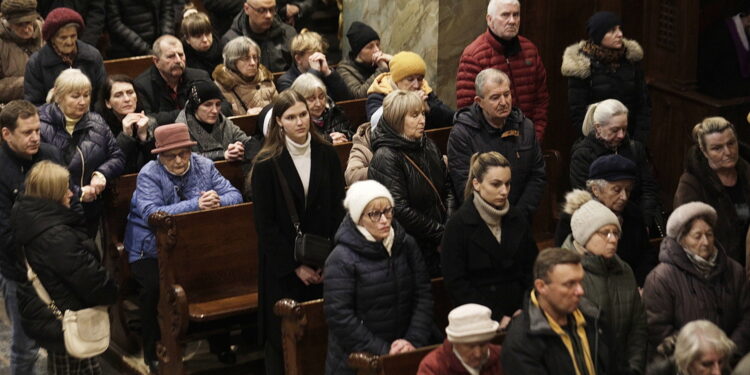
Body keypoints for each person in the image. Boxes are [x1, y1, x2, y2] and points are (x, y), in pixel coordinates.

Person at [124, 123, 243, 372]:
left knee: (216, 279)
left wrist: (218, 199)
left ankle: (219, 342)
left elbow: (236, 196)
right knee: (153, 289)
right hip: (149, 246)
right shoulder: (148, 174)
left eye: (183, 153)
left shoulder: (204, 165)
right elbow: (151, 214)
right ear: (160, 156)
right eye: (171, 156)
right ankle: (154, 350)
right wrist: (195, 205)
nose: (179, 160)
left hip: (194, 244)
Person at [250, 90, 345, 375]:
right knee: (285, 340)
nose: (300, 122)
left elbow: (338, 210)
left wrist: (331, 260)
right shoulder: (267, 163)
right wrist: (295, 267)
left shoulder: (327, 152)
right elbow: (265, 226)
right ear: (279, 121)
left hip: (324, 257)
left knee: (324, 335)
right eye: (291, 117)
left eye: (303, 114)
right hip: (285, 267)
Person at [11, 161, 117, 375]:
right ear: (53, 194)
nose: (71, 193)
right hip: (67, 320)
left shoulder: (32, 220)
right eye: (65, 189)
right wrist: (111, 292)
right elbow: (87, 276)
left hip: (56, 317)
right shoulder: (55, 235)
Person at [324, 180, 433, 375]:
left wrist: (412, 342)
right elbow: (340, 316)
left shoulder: (406, 245)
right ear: (358, 218)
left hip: (408, 349)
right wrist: (384, 351)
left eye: (388, 211)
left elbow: (423, 294)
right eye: (374, 214)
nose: (384, 220)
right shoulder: (341, 258)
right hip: (359, 361)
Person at [0, 100, 63, 375]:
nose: (35, 137)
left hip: (58, 267)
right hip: (19, 270)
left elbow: (68, 202)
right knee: (25, 348)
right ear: (6, 134)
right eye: (27, 132)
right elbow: (4, 230)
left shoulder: (50, 154)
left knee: (63, 342)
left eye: (37, 130)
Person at [643, 202, 750, 357]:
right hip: (685, 363)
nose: (705, 242)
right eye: (697, 236)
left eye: (709, 234)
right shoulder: (660, 279)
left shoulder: (734, 271)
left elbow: (747, 317)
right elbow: (658, 330)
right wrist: (701, 356)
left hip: (732, 358)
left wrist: (729, 351)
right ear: (681, 240)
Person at [441, 151, 537, 323]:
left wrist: (526, 309)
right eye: (496, 184)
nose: (504, 191)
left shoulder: (517, 219)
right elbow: (457, 283)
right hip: (480, 319)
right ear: (476, 183)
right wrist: (497, 317)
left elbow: (532, 270)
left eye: (507, 184)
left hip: (521, 315)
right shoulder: (458, 226)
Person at [561, 189, 647, 375]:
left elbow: (637, 327)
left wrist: (634, 369)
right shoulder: (563, 273)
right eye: (605, 233)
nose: (613, 239)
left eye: (616, 233)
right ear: (585, 236)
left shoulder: (624, 271)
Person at [368, 90, 453, 278]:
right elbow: (399, 209)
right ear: (398, 119)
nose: (422, 120)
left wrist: (448, 226)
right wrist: (440, 233)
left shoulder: (427, 144)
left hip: (440, 241)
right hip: (411, 249)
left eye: (422, 113)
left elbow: (447, 186)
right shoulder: (386, 156)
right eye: (414, 115)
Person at [38, 68, 125, 236]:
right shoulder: (41, 126)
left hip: (91, 210)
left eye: (86, 95)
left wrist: (101, 174)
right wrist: (78, 193)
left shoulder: (97, 122)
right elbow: (41, 173)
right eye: (75, 96)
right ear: (59, 97)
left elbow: (117, 156)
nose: (83, 101)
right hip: (54, 212)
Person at [448, 68, 546, 214]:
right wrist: (494, 217)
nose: (504, 102)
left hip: (520, 217)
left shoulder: (526, 127)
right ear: (479, 101)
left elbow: (537, 175)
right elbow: (466, 186)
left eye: (507, 94)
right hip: (480, 221)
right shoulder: (462, 134)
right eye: (495, 97)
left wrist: (518, 216)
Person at [501, 247, 610, 375]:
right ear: (541, 287)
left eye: (580, 282)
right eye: (570, 284)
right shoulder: (520, 342)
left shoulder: (594, 318)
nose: (580, 291)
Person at [555, 154, 655, 286]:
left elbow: (645, 256)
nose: (624, 197)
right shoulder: (574, 216)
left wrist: (640, 285)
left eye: (628, 190)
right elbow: (563, 259)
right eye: (617, 190)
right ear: (596, 190)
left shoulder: (633, 214)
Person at [456, 0, 549, 141]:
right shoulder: (474, 55)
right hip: (490, 146)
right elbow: (468, 111)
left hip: (528, 142)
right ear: (489, 19)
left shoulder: (530, 50)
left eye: (516, 15)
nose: (512, 21)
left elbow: (541, 101)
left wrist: (533, 139)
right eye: (505, 15)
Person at [569, 98, 664, 235]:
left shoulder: (635, 149)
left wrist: (645, 221)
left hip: (637, 219)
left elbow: (648, 189)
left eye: (624, 129)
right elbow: (586, 198)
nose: (621, 135)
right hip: (599, 225)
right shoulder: (583, 155)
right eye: (614, 130)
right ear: (598, 128)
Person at [561, 11, 651, 142]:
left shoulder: (631, 61)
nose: (620, 34)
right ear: (598, 36)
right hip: (596, 143)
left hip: (629, 140)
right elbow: (578, 113)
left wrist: (638, 142)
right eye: (612, 31)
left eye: (620, 28)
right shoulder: (582, 66)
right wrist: (595, 143)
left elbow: (643, 105)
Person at [674, 117, 749, 267]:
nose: (728, 152)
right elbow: (688, 235)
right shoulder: (691, 183)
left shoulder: (746, 172)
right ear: (704, 151)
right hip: (714, 267)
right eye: (717, 148)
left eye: (731, 143)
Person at [23, 7, 106, 107]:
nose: (69, 42)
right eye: (63, 37)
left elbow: (102, 96)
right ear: (52, 38)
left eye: (73, 36)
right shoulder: (36, 63)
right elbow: (34, 103)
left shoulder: (92, 56)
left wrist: (93, 120)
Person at [134, 35, 214, 125]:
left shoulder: (200, 76)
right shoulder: (142, 85)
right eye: (171, 56)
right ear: (156, 61)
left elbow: (224, 106)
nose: (178, 60)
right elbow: (147, 119)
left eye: (181, 55)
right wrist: (192, 112)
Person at [175, 79, 260, 162]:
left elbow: (246, 140)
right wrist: (223, 155)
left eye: (218, 104)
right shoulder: (181, 127)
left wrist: (241, 150)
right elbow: (187, 157)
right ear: (195, 107)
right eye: (208, 105)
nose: (215, 111)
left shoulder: (223, 120)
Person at [366, 51, 454, 130]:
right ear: (397, 80)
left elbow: (451, 118)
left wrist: (428, 108)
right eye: (410, 79)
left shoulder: (424, 89)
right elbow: (378, 126)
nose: (416, 85)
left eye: (419, 79)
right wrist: (408, 106)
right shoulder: (380, 92)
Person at [418, 303, 504, 375]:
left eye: (483, 344)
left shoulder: (502, 356)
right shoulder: (433, 366)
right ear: (455, 343)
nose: (478, 354)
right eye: (470, 346)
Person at [96, 74, 156, 174]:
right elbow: (109, 169)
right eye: (118, 95)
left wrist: (145, 138)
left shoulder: (149, 122)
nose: (127, 99)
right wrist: (125, 137)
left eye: (130, 92)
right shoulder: (99, 128)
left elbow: (156, 166)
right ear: (108, 103)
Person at [221, 0, 297, 72]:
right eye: (261, 10)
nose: (268, 15)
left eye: (272, 9)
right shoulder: (231, 41)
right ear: (247, 9)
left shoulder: (288, 33)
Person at [276, 29, 350, 101]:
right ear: (298, 59)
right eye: (314, 54)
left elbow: (346, 98)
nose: (319, 57)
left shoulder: (324, 74)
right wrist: (314, 72)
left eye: (320, 52)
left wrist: (328, 73)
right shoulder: (285, 81)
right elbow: (300, 104)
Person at [213, 36, 277, 116]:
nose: (253, 63)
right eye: (246, 58)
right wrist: (246, 118)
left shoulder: (266, 80)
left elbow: (279, 111)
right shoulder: (221, 86)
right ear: (232, 62)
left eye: (255, 57)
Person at [647, 320, 735, 375]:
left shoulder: (726, 370)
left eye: (720, 362)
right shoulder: (659, 372)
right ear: (687, 363)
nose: (717, 372)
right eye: (707, 364)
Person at [0, 0, 43, 105]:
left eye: (29, 22)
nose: (26, 29)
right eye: (19, 24)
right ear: (7, 23)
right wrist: (27, 82)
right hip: (12, 106)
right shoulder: (2, 43)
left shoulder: (44, 31)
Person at [290, 73, 351, 144]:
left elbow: (351, 134)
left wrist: (344, 137)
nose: (318, 104)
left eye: (321, 97)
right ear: (299, 100)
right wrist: (328, 140)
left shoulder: (336, 111)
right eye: (311, 99)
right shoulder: (296, 122)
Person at [336, 21, 391, 99]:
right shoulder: (344, 69)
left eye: (378, 44)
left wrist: (393, 61)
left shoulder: (382, 60)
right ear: (358, 52)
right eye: (370, 47)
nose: (377, 49)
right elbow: (358, 95)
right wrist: (382, 70)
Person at [105, 0, 175, 59]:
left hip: (158, 45)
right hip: (126, 50)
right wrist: (145, 49)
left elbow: (167, 11)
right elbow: (115, 23)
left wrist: (165, 40)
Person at [36, 0, 105, 47]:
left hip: (83, 39)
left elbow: (96, 14)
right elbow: (36, 11)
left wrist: (84, 44)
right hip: (47, 41)